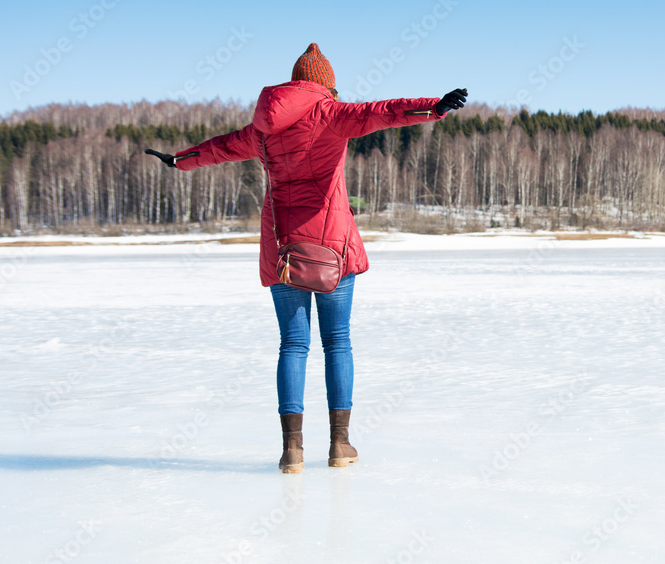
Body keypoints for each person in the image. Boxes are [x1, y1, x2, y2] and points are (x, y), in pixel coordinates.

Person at [146, 43, 467, 473]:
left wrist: (179, 159)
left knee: (293, 346)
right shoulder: (331, 115)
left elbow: (220, 148)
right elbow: (382, 112)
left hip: (283, 252)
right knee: (337, 344)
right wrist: (433, 108)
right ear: (325, 86)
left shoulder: (262, 129)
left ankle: (292, 450)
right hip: (333, 248)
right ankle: (340, 444)